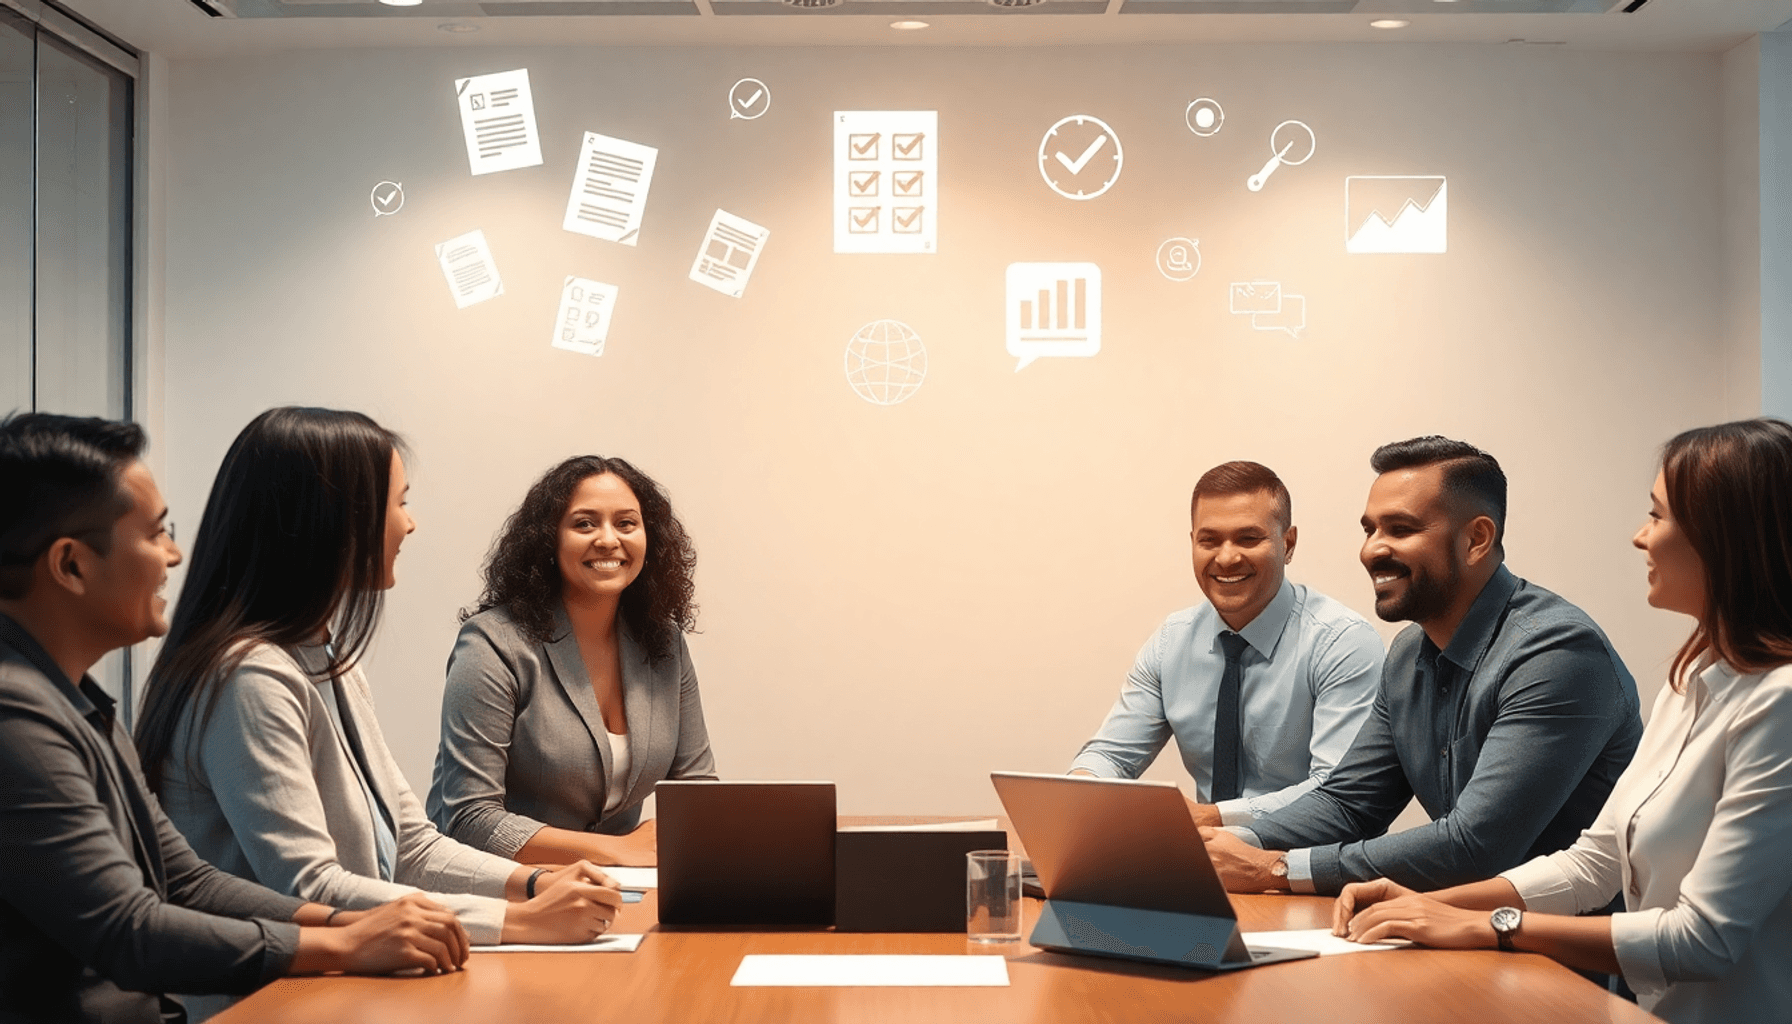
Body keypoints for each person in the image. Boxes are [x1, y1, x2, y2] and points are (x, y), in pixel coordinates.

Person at [131, 408, 621, 999]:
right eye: (399, 503)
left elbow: (410, 845)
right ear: (336, 521)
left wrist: (535, 883)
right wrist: (518, 921)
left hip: (349, 989)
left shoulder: (327, 653)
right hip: (268, 1004)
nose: (409, 524)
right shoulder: (250, 677)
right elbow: (311, 887)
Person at [0, 412, 470, 1024]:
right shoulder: (16, 718)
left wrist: (348, 925)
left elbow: (187, 881)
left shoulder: (76, 699)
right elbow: (129, 931)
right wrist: (343, 944)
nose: (174, 555)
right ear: (71, 565)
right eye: (156, 533)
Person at [1333, 419, 1792, 1024]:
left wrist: (1490, 926)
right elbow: (1594, 863)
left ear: (1727, 538)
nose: (1640, 537)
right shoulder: (1692, 679)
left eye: (1657, 517)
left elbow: (1701, 940)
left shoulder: (1780, 703)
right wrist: (1435, 906)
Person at [1202, 436, 1643, 896]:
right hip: (1457, 927)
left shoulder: (1558, 654)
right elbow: (1350, 804)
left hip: (1563, 939)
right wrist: (1227, 844)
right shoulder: (1408, 652)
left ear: (1476, 540)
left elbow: (1475, 846)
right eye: (1370, 530)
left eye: (1400, 529)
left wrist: (1276, 868)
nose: (1372, 550)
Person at [427, 456, 716, 866]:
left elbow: (698, 792)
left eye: (626, 523)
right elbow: (470, 818)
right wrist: (617, 850)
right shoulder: (492, 643)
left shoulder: (664, 643)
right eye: (584, 524)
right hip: (501, 887)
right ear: (549, 539)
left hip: (616, 888)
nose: (608, 540)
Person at [1070, 461, 1385, 827]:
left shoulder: (1342, 642)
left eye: (1248, 538)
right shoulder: (1172, 641)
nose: (1226, 557)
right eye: (1209, 541)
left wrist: (1211, 817)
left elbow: (1337, 790)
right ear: (1193, 543)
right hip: (1206, 851)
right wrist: (1080, 793)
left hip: (1309, 855)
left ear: (1288, 543)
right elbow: (1112, 756)